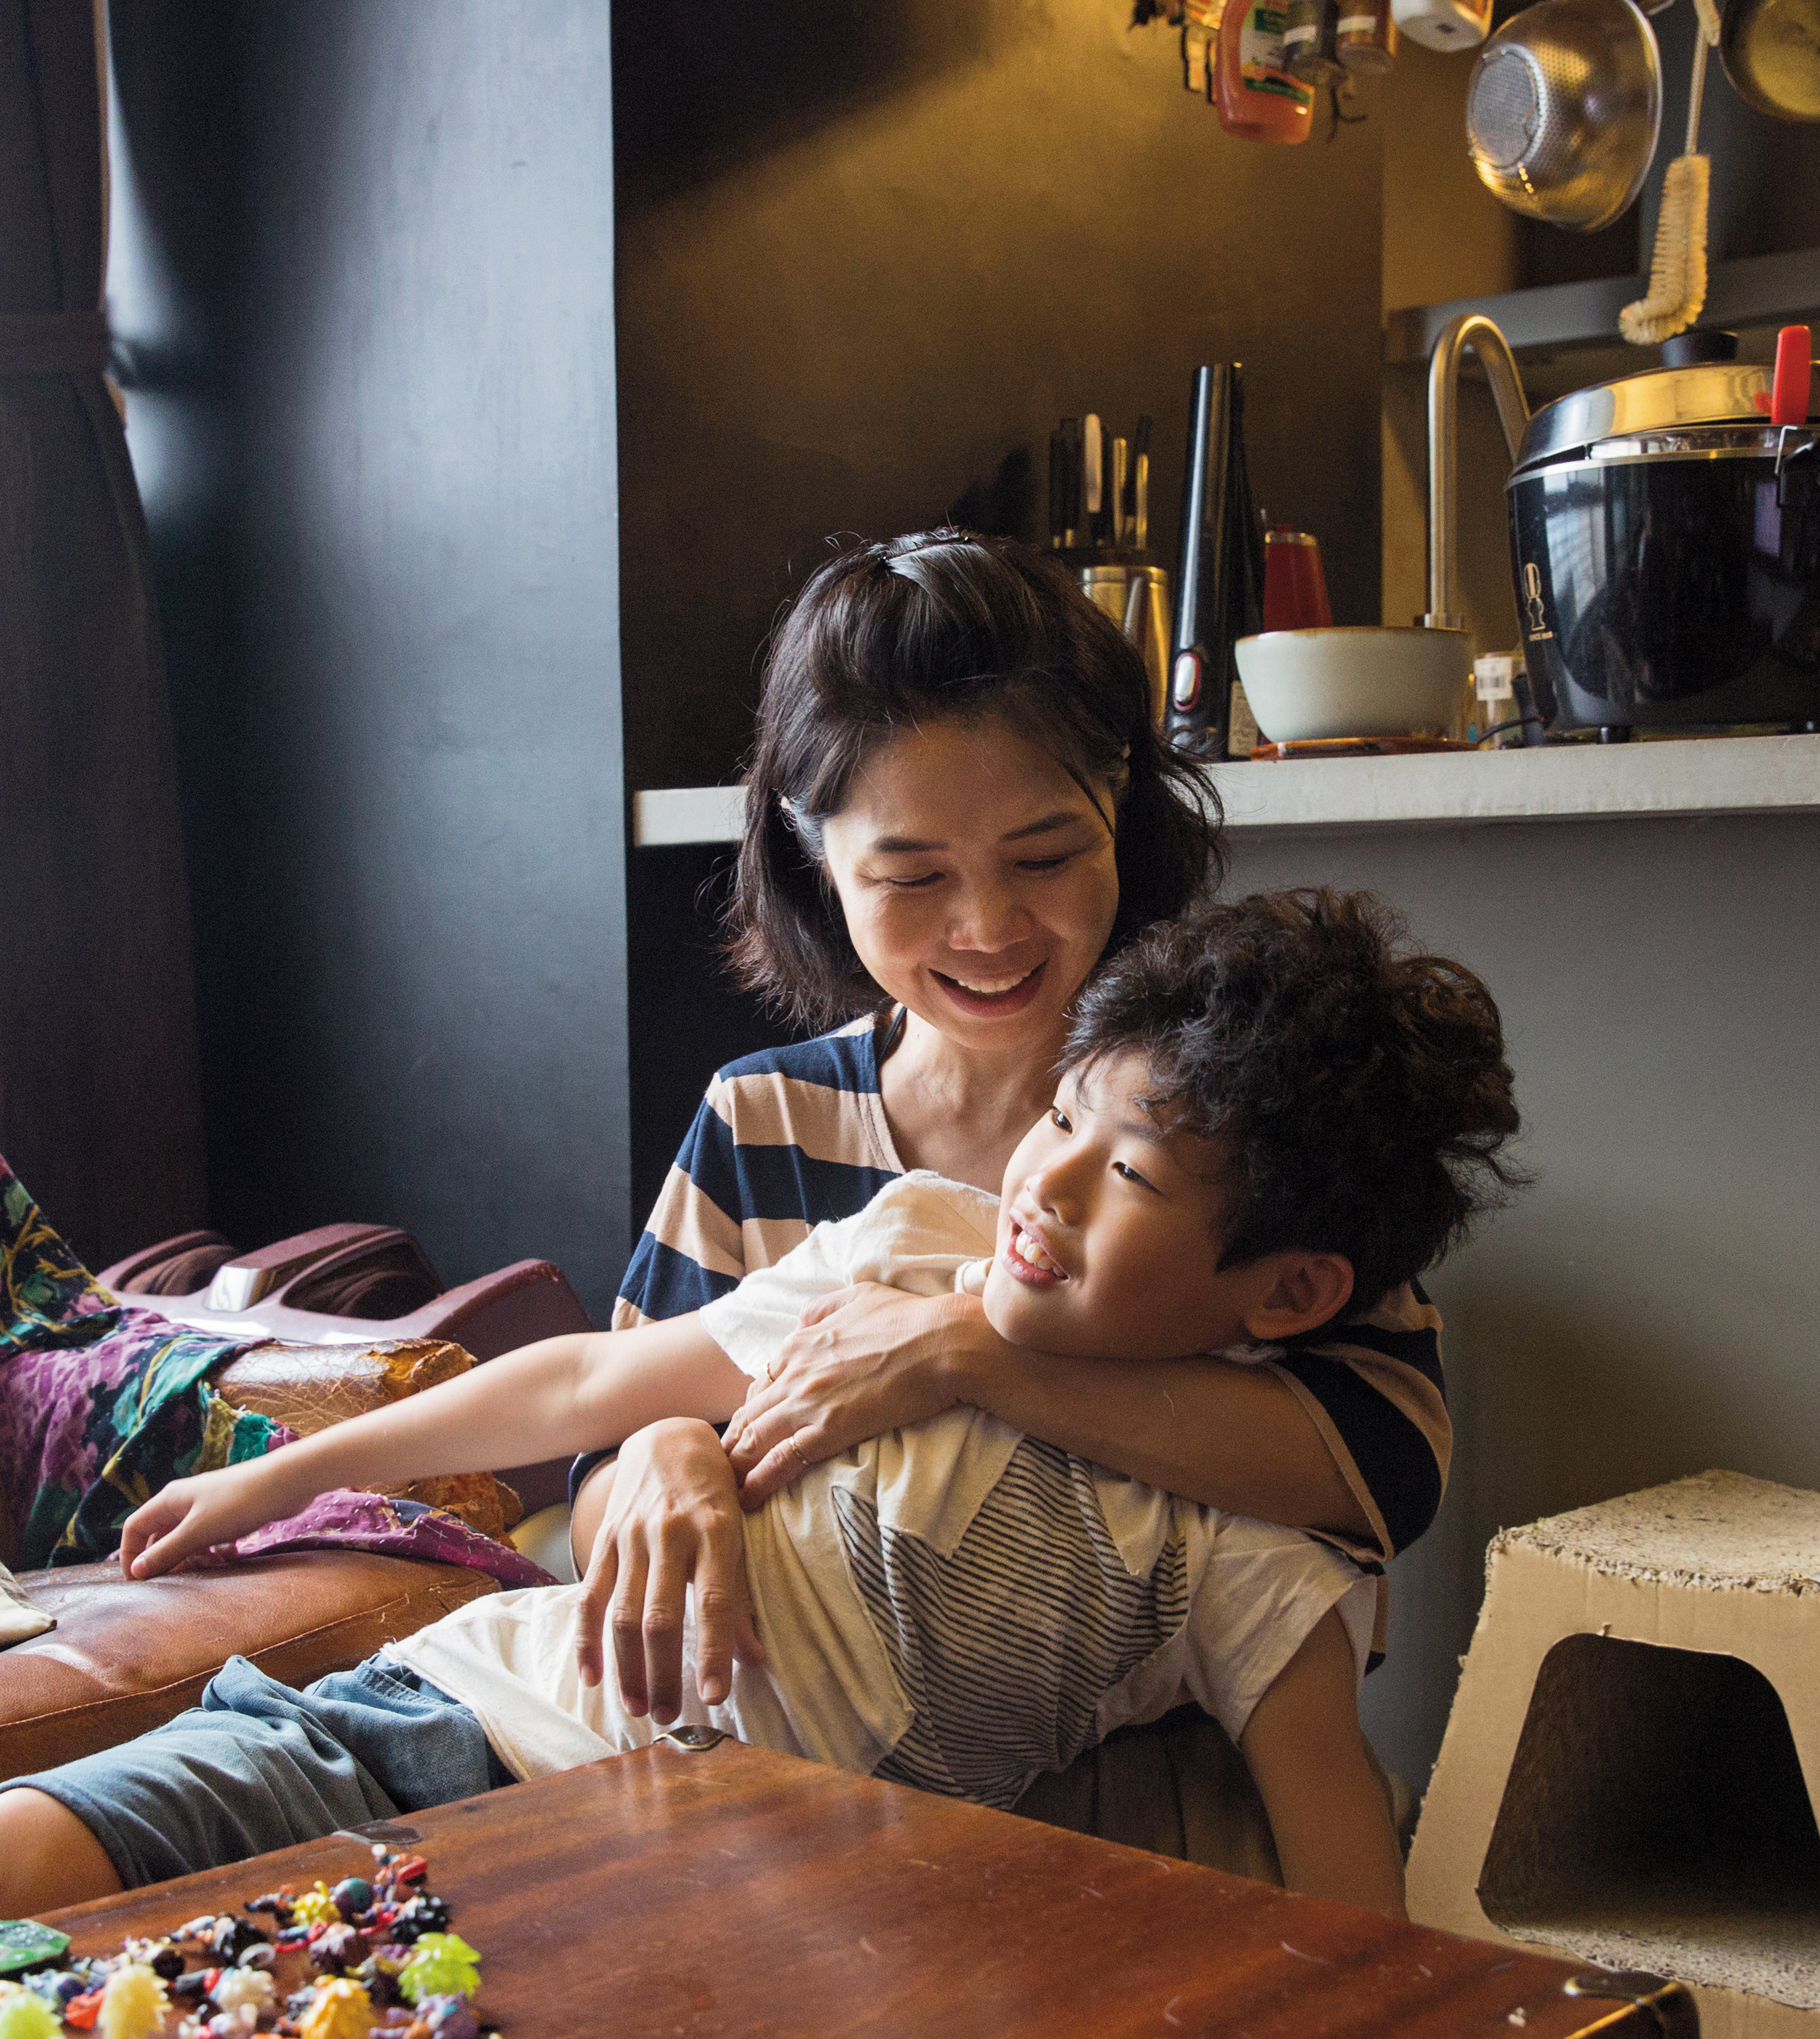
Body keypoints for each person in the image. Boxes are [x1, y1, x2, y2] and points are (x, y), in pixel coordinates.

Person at [0, 891, 1520, 1939]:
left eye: (1134, 1169)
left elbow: (1334, 1838)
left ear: (1290, 1294)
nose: (1046, 1178)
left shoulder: (1239, 1541)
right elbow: (594, 1378)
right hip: (446, 1728)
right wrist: (273, 1478)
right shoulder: (910, 1244)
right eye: (1066, 1117)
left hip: (715, 1903)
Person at [583, 532, 1456, 1773]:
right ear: (813, 856)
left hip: (1162, 1784)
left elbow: (1384, 1462)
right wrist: (668, 1451)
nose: (988, 928)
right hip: (797, 1791)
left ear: (1122, 807)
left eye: (1044, 857)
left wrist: (960, 1354)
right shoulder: (761, 1117)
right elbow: (592, 1460)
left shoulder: (1220, 1103)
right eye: (910, 874)